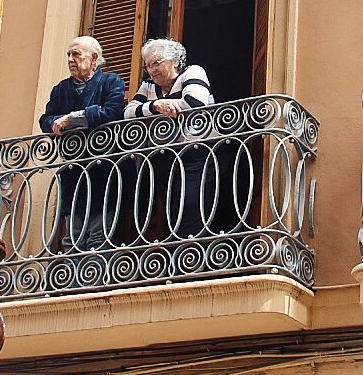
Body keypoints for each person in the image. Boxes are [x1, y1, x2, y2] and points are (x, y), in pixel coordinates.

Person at [126, 38, 224, 238]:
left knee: (191, 204)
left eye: (157, 63)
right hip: (163, 156)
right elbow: (128, 113)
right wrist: (155, 106)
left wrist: (157, 107)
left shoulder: (193, 72)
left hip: (196, 153)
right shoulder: (148, 86)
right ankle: (180, 260)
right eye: (148, 65)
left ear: (175, 62)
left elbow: (195, 102)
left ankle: (193, 262)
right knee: (172, 209)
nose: (152, 70)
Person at [38, 36, 127, 251]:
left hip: (104, 168)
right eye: (69, 54)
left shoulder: (111, 82)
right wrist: (57, 123)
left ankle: (93, 282)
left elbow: (113, 113)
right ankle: (70, 281)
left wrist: (72, 119)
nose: (70, 59)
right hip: (74, 169)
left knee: (99, 236)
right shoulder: (60, 89)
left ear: (94, 58)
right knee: (72, 238)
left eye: (76, 54)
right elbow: (46, 119)